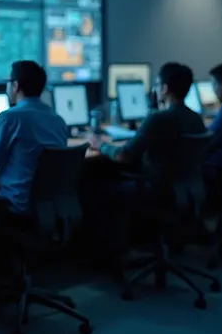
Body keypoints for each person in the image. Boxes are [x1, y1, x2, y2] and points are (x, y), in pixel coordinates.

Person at [84, 62, 205, 264]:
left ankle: (108, 256)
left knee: (96, 187)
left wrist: (101, 145)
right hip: (185, 189)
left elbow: (124, 155)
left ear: (165, 88)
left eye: (157, 84)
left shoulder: (158, 119)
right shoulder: (195, 119)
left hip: (156, 190)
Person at [0, 60, 68, 215]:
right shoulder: (58, 120)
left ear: (16, 86)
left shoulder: (10, 118)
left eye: (8, 82)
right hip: (49, 209)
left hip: (15, 208)